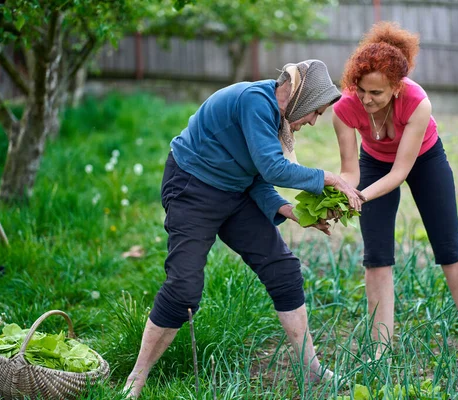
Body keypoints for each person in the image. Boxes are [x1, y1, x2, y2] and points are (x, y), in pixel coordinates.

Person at [124, 59, 365, 398]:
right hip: (192, 188)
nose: (312, 121)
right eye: (315, 112)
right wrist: (328, 178)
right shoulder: (256, 101)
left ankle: (311, 370)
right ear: (303, 100)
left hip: (234, 193)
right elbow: (271, 166)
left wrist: (295, 213)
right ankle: (136, 379)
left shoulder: (274, 119)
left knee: (283, 269)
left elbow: (256, 176)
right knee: (184, 291)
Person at [332, 22, 458, 361]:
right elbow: (349, 171)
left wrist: (361, 197)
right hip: (373, 163)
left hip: (423, 159)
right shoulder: (343, 109)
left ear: (396, 88)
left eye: (377, 93)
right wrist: (341, 195)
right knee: (376, 257)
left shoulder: (417, 103)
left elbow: (401, 172)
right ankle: (380, 352)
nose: (367, 100)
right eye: (361, 91)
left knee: (449, 249)